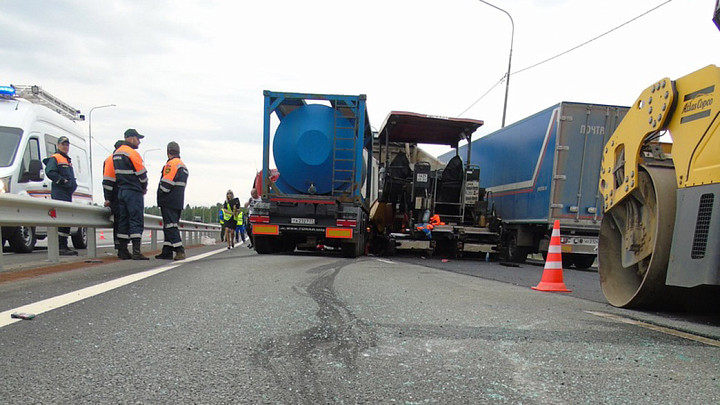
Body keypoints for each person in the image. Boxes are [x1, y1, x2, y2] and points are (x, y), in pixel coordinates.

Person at [113, 128, 149, 260]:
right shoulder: (131, 153)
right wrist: (144, 187)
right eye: (138, 138)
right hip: (133, 191)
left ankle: (123, 250)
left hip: (121, 191)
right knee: (135, 219)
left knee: (123, 220)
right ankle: (136, 251)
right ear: (131, 138)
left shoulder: (117, 153)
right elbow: (142, 174)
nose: (139, 142)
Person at [43, 136, 79, 256]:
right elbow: (50, 171)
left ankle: (63, 245)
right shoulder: (56, 158)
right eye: (63, 144)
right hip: (60, 194)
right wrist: (61, 181)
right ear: (58, 145)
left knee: (66, 220)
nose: (65, 146)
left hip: (66, 194)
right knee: (63, 220)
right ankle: (60, 246)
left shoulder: (67, 160)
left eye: (67, 144)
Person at [154, 142, 189, 260]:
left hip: (169, 200)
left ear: (168, 151)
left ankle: (179, 250)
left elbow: (166, 184)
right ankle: (167, 250)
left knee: (170, 226)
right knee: (170, 225)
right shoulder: (183, 166)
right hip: (178, 201)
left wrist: (160, 193)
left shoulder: (171, 164)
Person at [102, 140, 125, 253]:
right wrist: (108, 198)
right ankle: (119, 245)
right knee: (120, 220)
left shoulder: (115, 159)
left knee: (121, 220)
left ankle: (121, 245)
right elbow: (108, 180)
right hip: (117, 195)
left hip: (120, 194)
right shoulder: (112, 160)